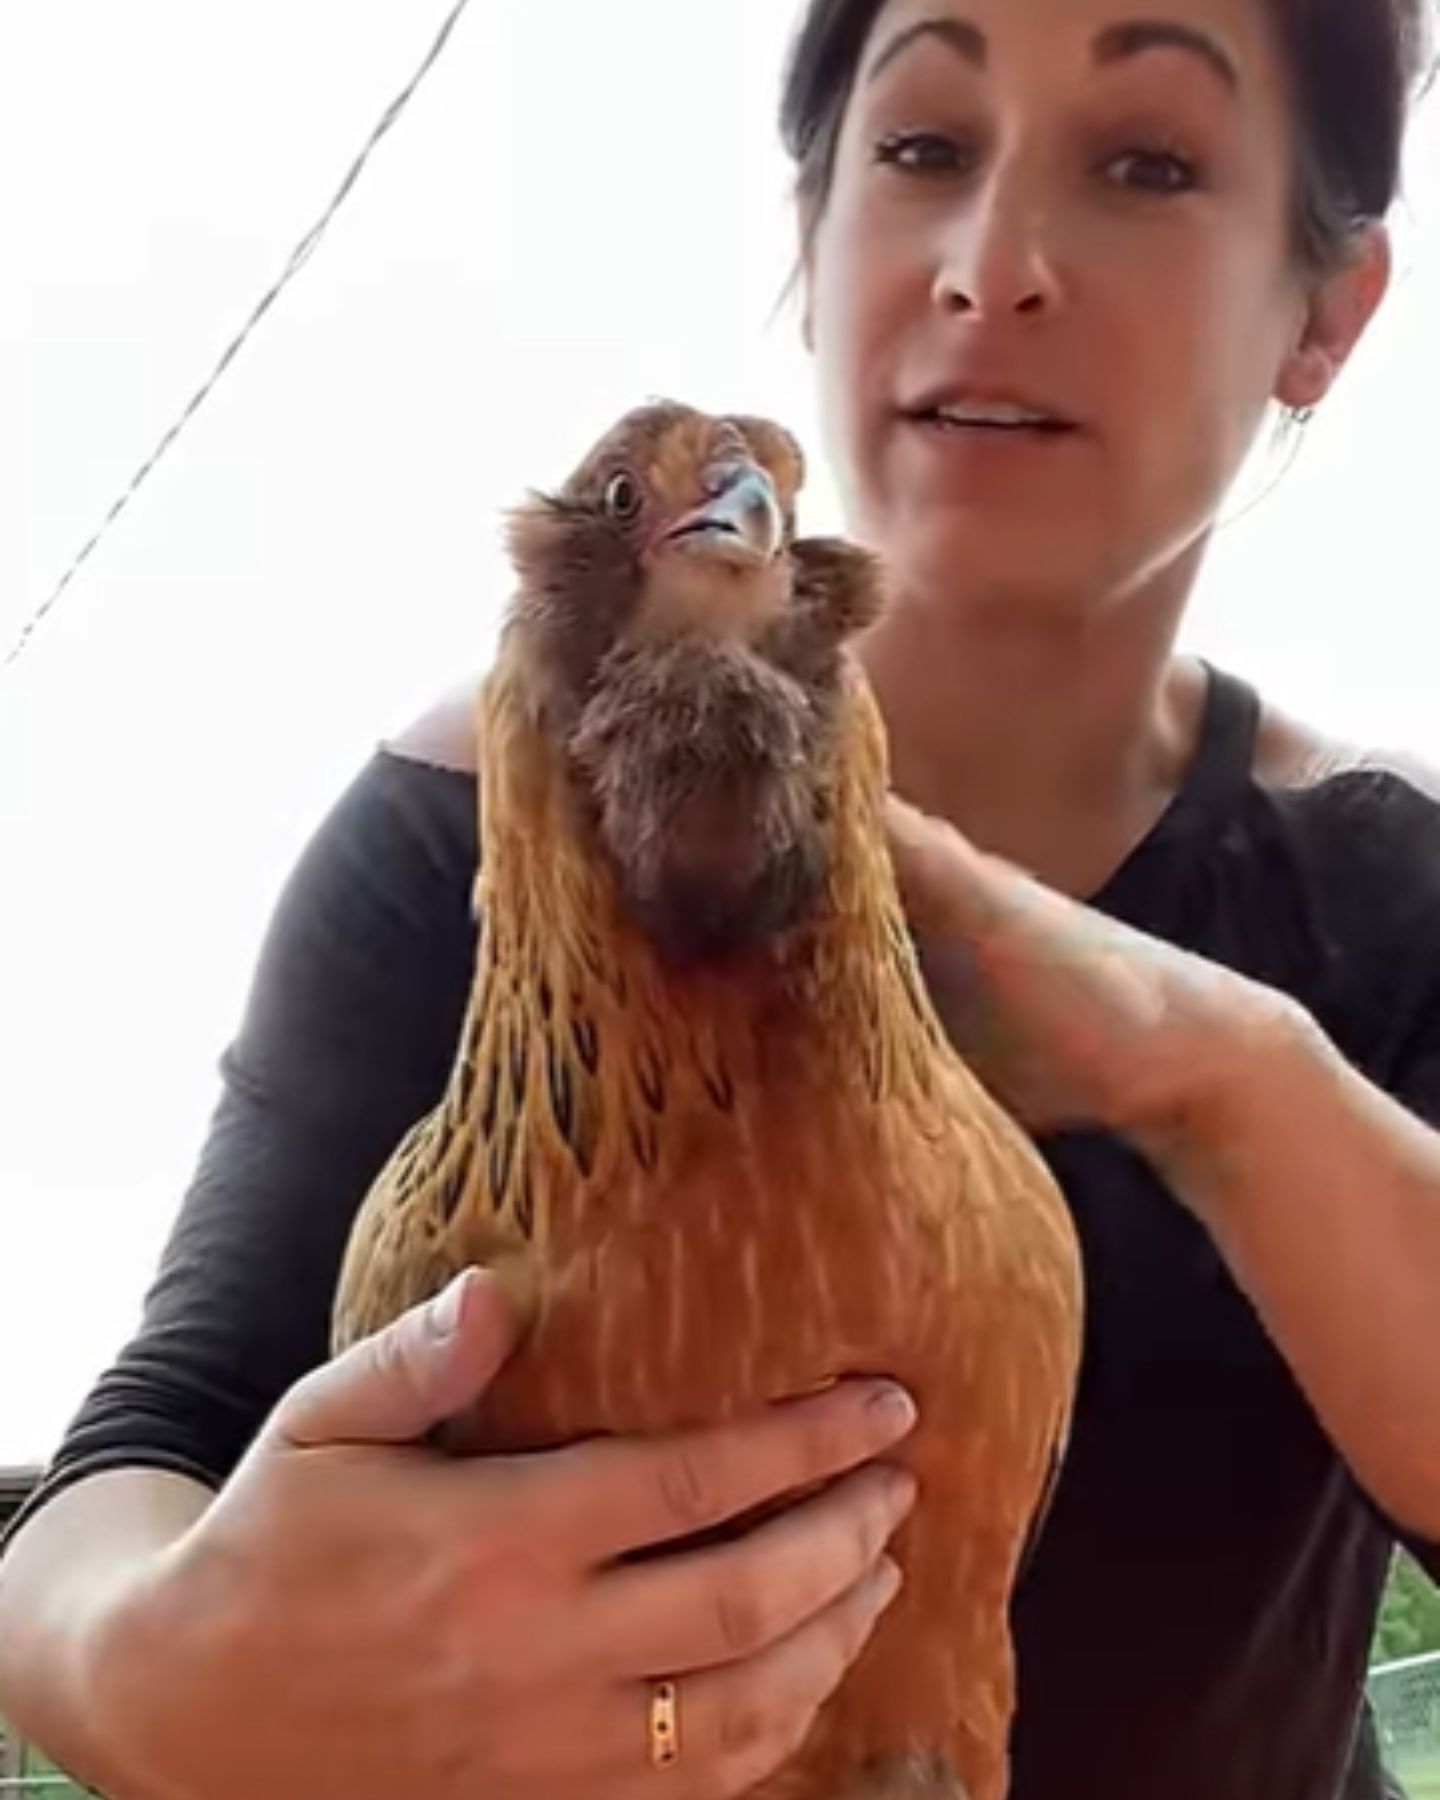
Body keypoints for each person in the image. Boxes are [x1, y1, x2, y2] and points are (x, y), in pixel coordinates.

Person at [1, 0, 1437, 1794]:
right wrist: (166, 1675)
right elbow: (132, 1470)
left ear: (1325, 311)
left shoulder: (1384, 888)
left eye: (1146, 161)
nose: (997, 267)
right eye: (921, 148)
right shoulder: (466, 821)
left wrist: (1229, 1080)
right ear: (813, 244)